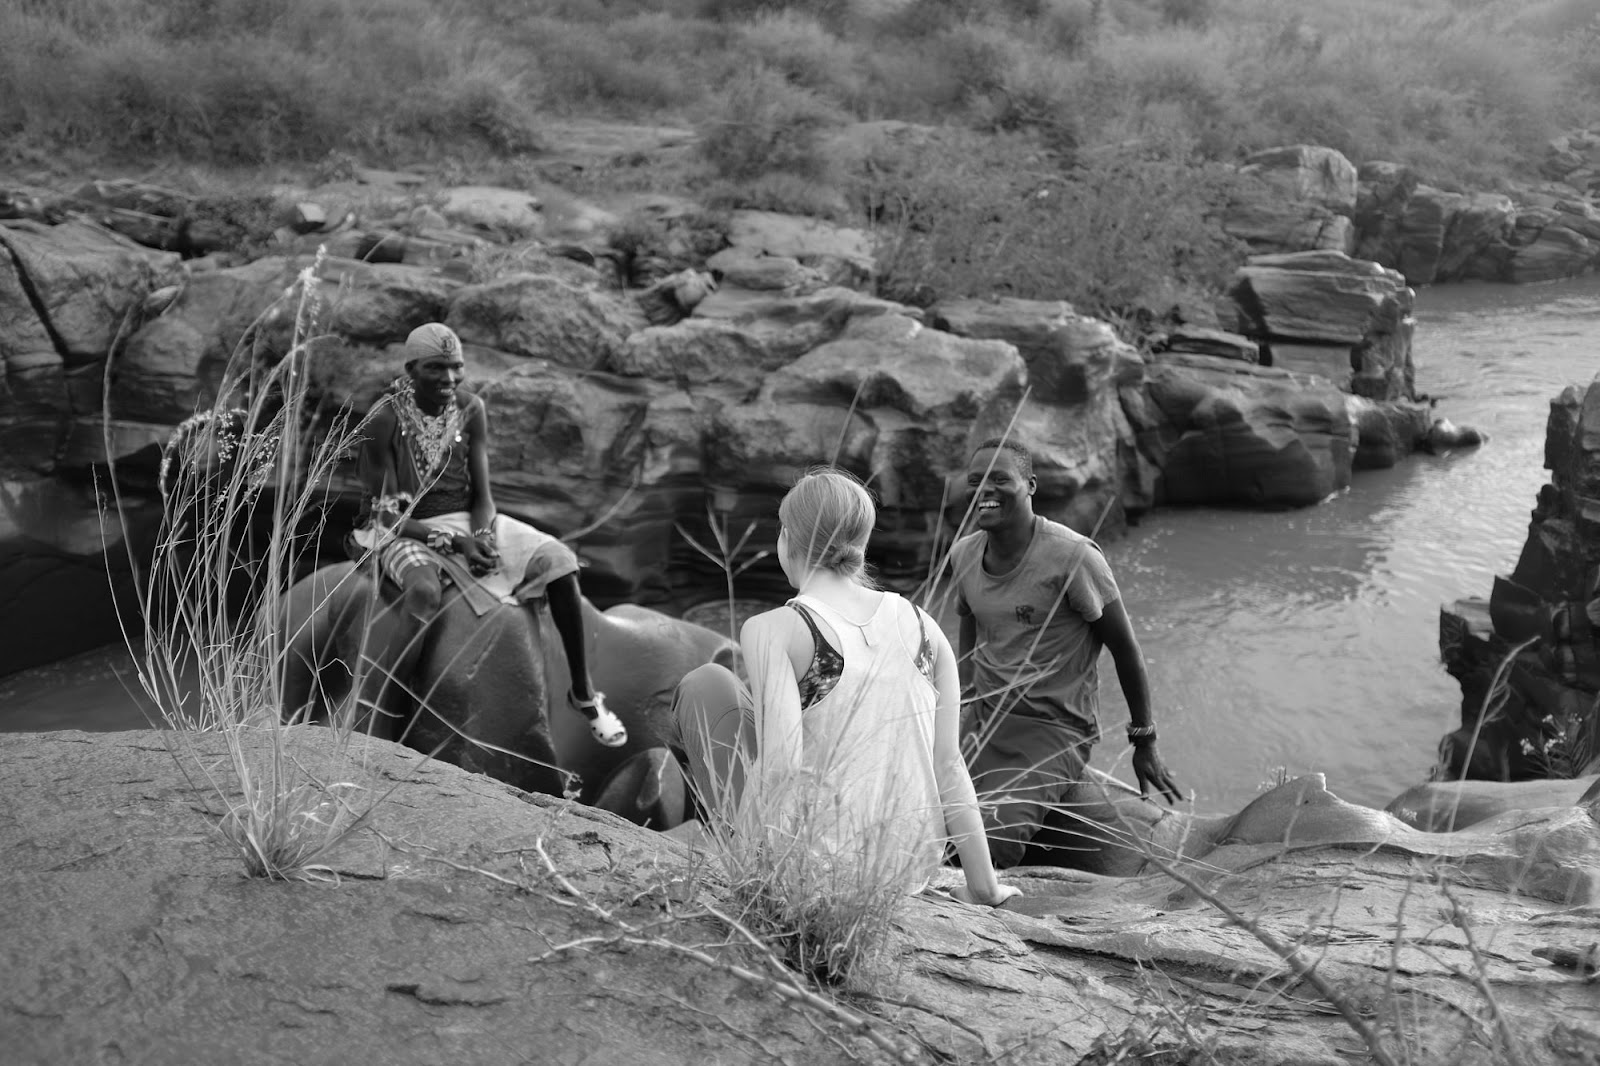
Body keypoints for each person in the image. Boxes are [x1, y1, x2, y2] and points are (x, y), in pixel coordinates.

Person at [671, 467, 1020, 907]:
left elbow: (780, 766)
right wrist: (984, 889)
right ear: (861, 542)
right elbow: (949, 765)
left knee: (708, 684)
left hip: (816, 874)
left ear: (787, 540)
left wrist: (746, 881)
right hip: (906, 871)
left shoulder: (776, 628)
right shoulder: (924, 627)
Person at [350, 322, 626, 748]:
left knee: (560, 562)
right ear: (410, 368)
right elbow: (385, 513)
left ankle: (584, 694)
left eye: (456, 368)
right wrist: (456, 543)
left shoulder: (470, 408)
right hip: (400, 529)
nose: (448, 379)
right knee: (423, 591)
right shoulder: (384, 417)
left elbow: (483, 496)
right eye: (435, 368)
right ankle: (382, 709)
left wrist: (482, 536)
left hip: (467, 520)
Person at [948, 438, 1182, 869]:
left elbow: (1126, 649)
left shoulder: (1074, 557)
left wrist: (1144, 740)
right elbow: (969, 622)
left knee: (991, 841)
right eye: (976, 480)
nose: (985, 490)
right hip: (984, 719)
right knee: (927, 814)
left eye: (1001, 479)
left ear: (1031, 485)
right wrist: (962, 701)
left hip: (1053, 728)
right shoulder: (963, 554)